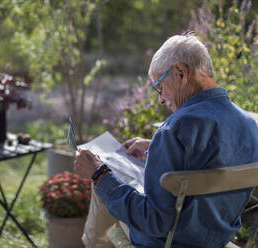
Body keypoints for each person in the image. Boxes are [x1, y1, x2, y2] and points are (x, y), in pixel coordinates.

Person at [73, 33, 258, 248]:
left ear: (180, 72)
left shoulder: (173, 130)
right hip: (217, 239)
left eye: (159, 87)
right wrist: (156, 148)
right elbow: (218, 159)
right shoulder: (250, 125)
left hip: (168, 242)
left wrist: (99, 174)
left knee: (103, 185)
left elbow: (155, 221)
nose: (160, 99)